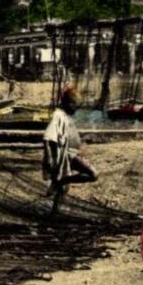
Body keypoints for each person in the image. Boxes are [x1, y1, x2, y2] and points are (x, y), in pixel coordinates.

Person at [42, 84, 98, 215]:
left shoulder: (64, 115)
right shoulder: (58, 115)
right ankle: (63, 180)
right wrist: (49, 158)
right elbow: (47, 137)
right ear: (70, 103)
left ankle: (54, 214)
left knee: (63, 190)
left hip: (71, 154)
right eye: (75, 107)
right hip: (66, 155)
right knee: (93, 174)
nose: (76, 110)